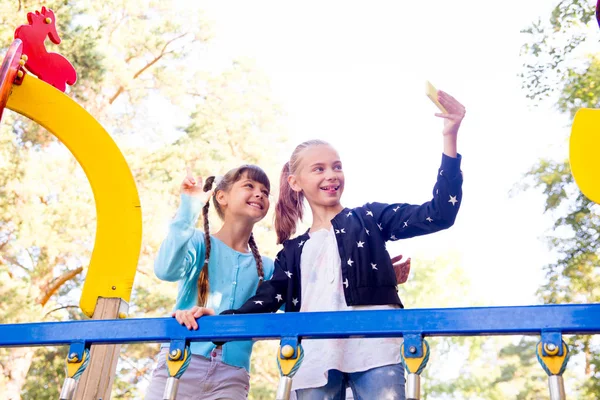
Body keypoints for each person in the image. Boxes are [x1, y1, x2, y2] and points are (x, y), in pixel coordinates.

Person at [217, 90, 466, 400]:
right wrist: (216, 322)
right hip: (314, 360)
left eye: (336, 166)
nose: (331, 175)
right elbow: (266, 299)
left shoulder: (370, 218)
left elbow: (440, 213)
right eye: (318, 169)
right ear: (296, 182)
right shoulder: (292, 253)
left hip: (376, 352)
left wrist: (450, 137)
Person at [145, 164, 274, 400]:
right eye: (249, 185)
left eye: (265, 191)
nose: (260, 194)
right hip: (181, 361)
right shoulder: (197, 242)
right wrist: (188, 209)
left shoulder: (267, 267)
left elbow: (295, 308)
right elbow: (165, 270)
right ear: (221, 196)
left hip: (232, 376)